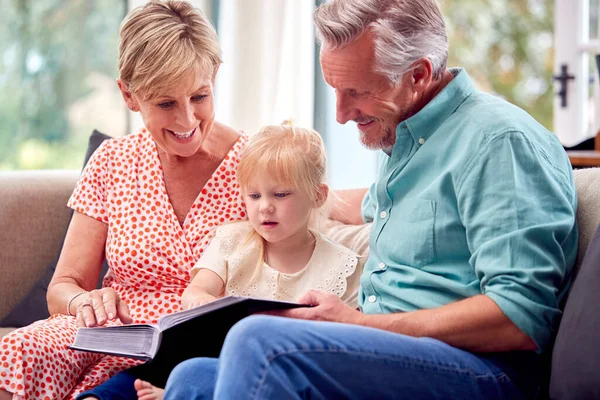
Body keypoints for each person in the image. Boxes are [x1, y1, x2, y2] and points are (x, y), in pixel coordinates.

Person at [161, 0, 579, 399]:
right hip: (391, 353)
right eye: (335, 92)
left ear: (417, 74)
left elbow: (520, 317)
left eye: (356, 92)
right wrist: (276, 199)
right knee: (193, 377)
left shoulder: (499, 144)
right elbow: (361, 204)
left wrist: (360, 325)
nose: (341, 114)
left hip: (482, 370)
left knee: (261, 344)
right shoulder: (406, 136)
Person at [0, 1, 249, 399]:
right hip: (117, 336)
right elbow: (62, 287)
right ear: (129, 95)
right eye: (166, 103)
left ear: (214, 76)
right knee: (20, 349)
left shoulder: (256, 165)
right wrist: (86, 300)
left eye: (199, 96)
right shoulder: (112, 161)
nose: (187, 121)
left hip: (204, 345)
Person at [86, 123, 363, 400]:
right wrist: (204, 303)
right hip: (218, 358)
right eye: (254, 196)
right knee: (166, 366)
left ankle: (173, 393)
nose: (264, 206)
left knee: (193, 376)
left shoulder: (344, 265)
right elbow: (196, 290)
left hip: (289, 373)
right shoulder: (232, 241)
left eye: (280, 194)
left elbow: (347, 342)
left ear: (318, 196)